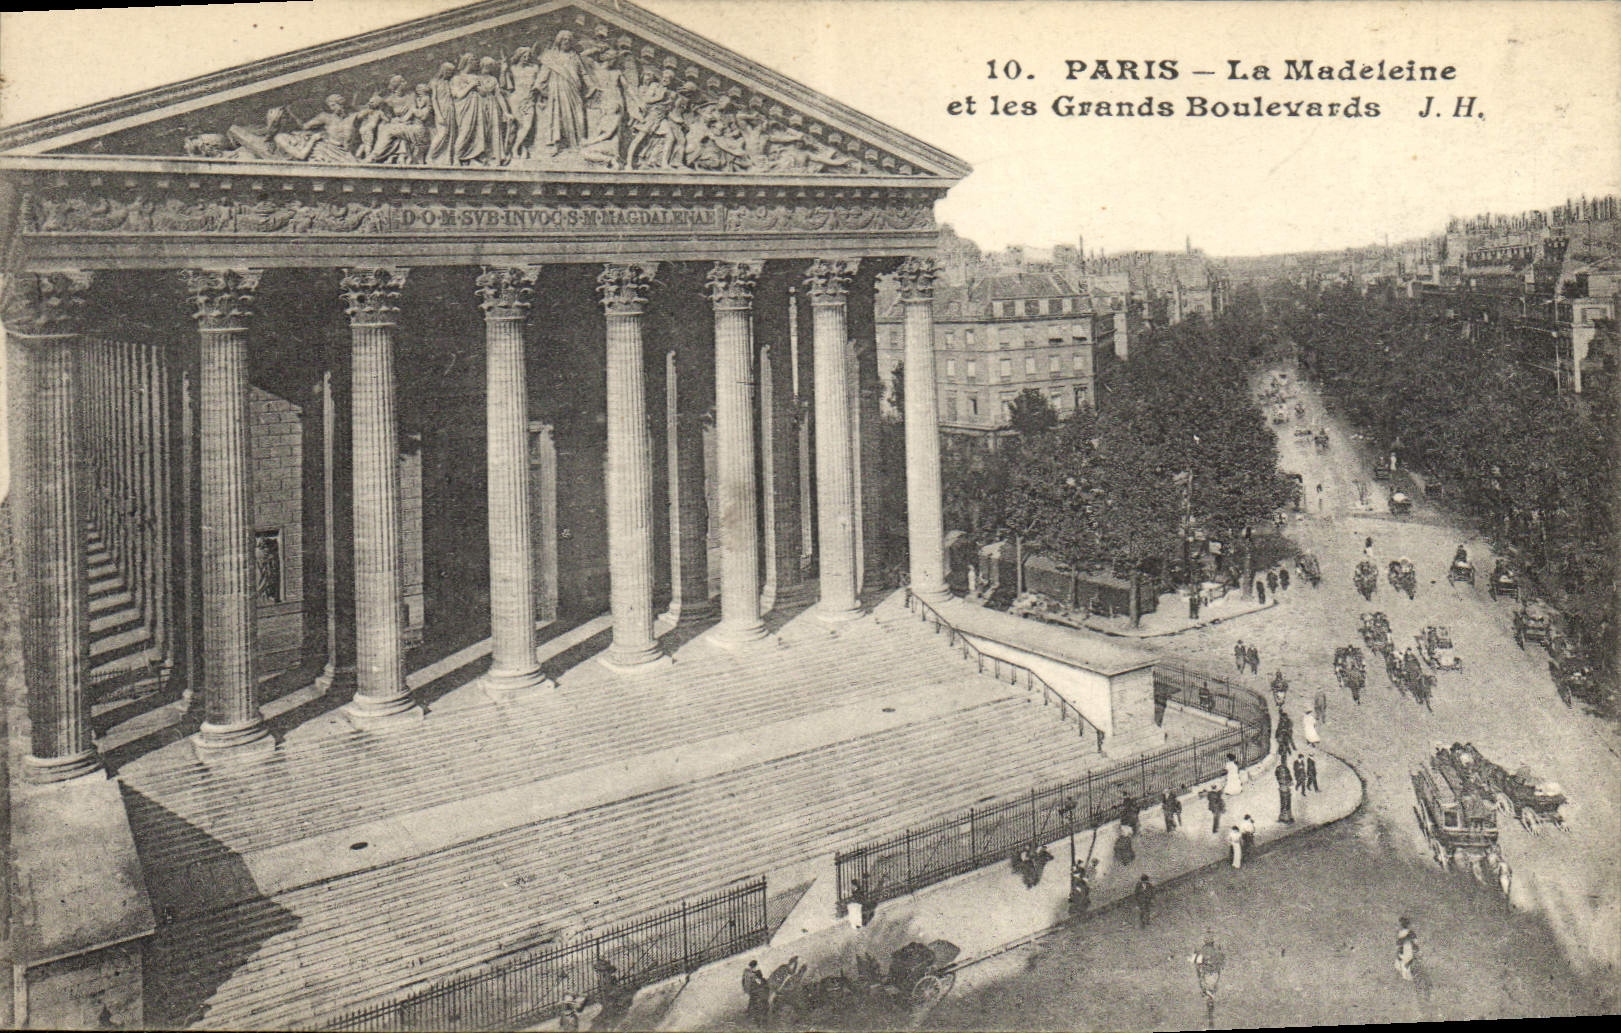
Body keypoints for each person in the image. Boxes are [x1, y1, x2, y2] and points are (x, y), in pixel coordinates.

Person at [1191, 933, 1225, 1028]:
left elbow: (1195, 962)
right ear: (1213, 941)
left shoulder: (1201, 950)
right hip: (1214, 975)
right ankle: (1210, 1009)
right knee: (1211, 991)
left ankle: (1210, 1010)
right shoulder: (1216, 951)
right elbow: (1222, 963)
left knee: (1207, 991)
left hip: (1205, 974)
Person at [742, 959, 771, 1028]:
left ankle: (749, 1010)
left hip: (748, 989)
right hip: (754, 990)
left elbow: (744, 980)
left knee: (752, 1000)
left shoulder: (746, 971)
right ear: (755, 966)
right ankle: (760, 1020)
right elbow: (760, 982)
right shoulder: (755, 974)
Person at [1395, 917, 1419, 981]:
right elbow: (1415, 944)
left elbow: (1415, 944)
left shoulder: (1407, 933)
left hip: (1406, 951)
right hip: (1405, 952)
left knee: (1405, 967)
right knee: (1404, 967)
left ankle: (1408, 980)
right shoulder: (1407, 933)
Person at [1275, 756, 1295, 824]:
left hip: (1281, 788)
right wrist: (1289, 783)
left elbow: (1276, 775)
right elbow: (1290, 777)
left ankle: (1282, 817)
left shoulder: (1278, 768)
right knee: (1287, 803)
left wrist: (1280, 782)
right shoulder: (1286, 769)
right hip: (1286, 788)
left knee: (1283, 803)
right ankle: (1287, 818)